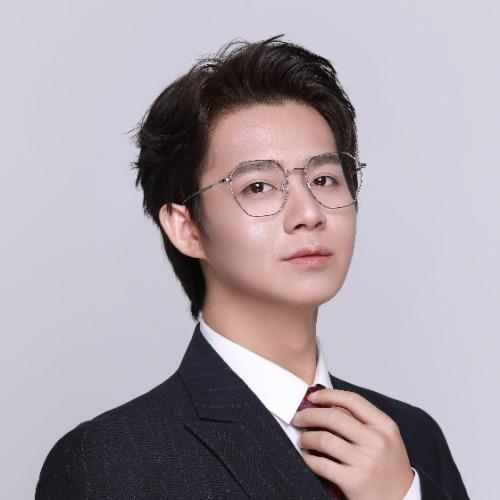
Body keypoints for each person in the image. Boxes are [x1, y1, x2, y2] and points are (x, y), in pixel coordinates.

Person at [35, 34, 469, 499]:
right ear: (187, 228)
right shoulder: (110, 460)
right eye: (258, 187)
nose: (309, 213)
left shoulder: (411, 437)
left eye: (325, 179)